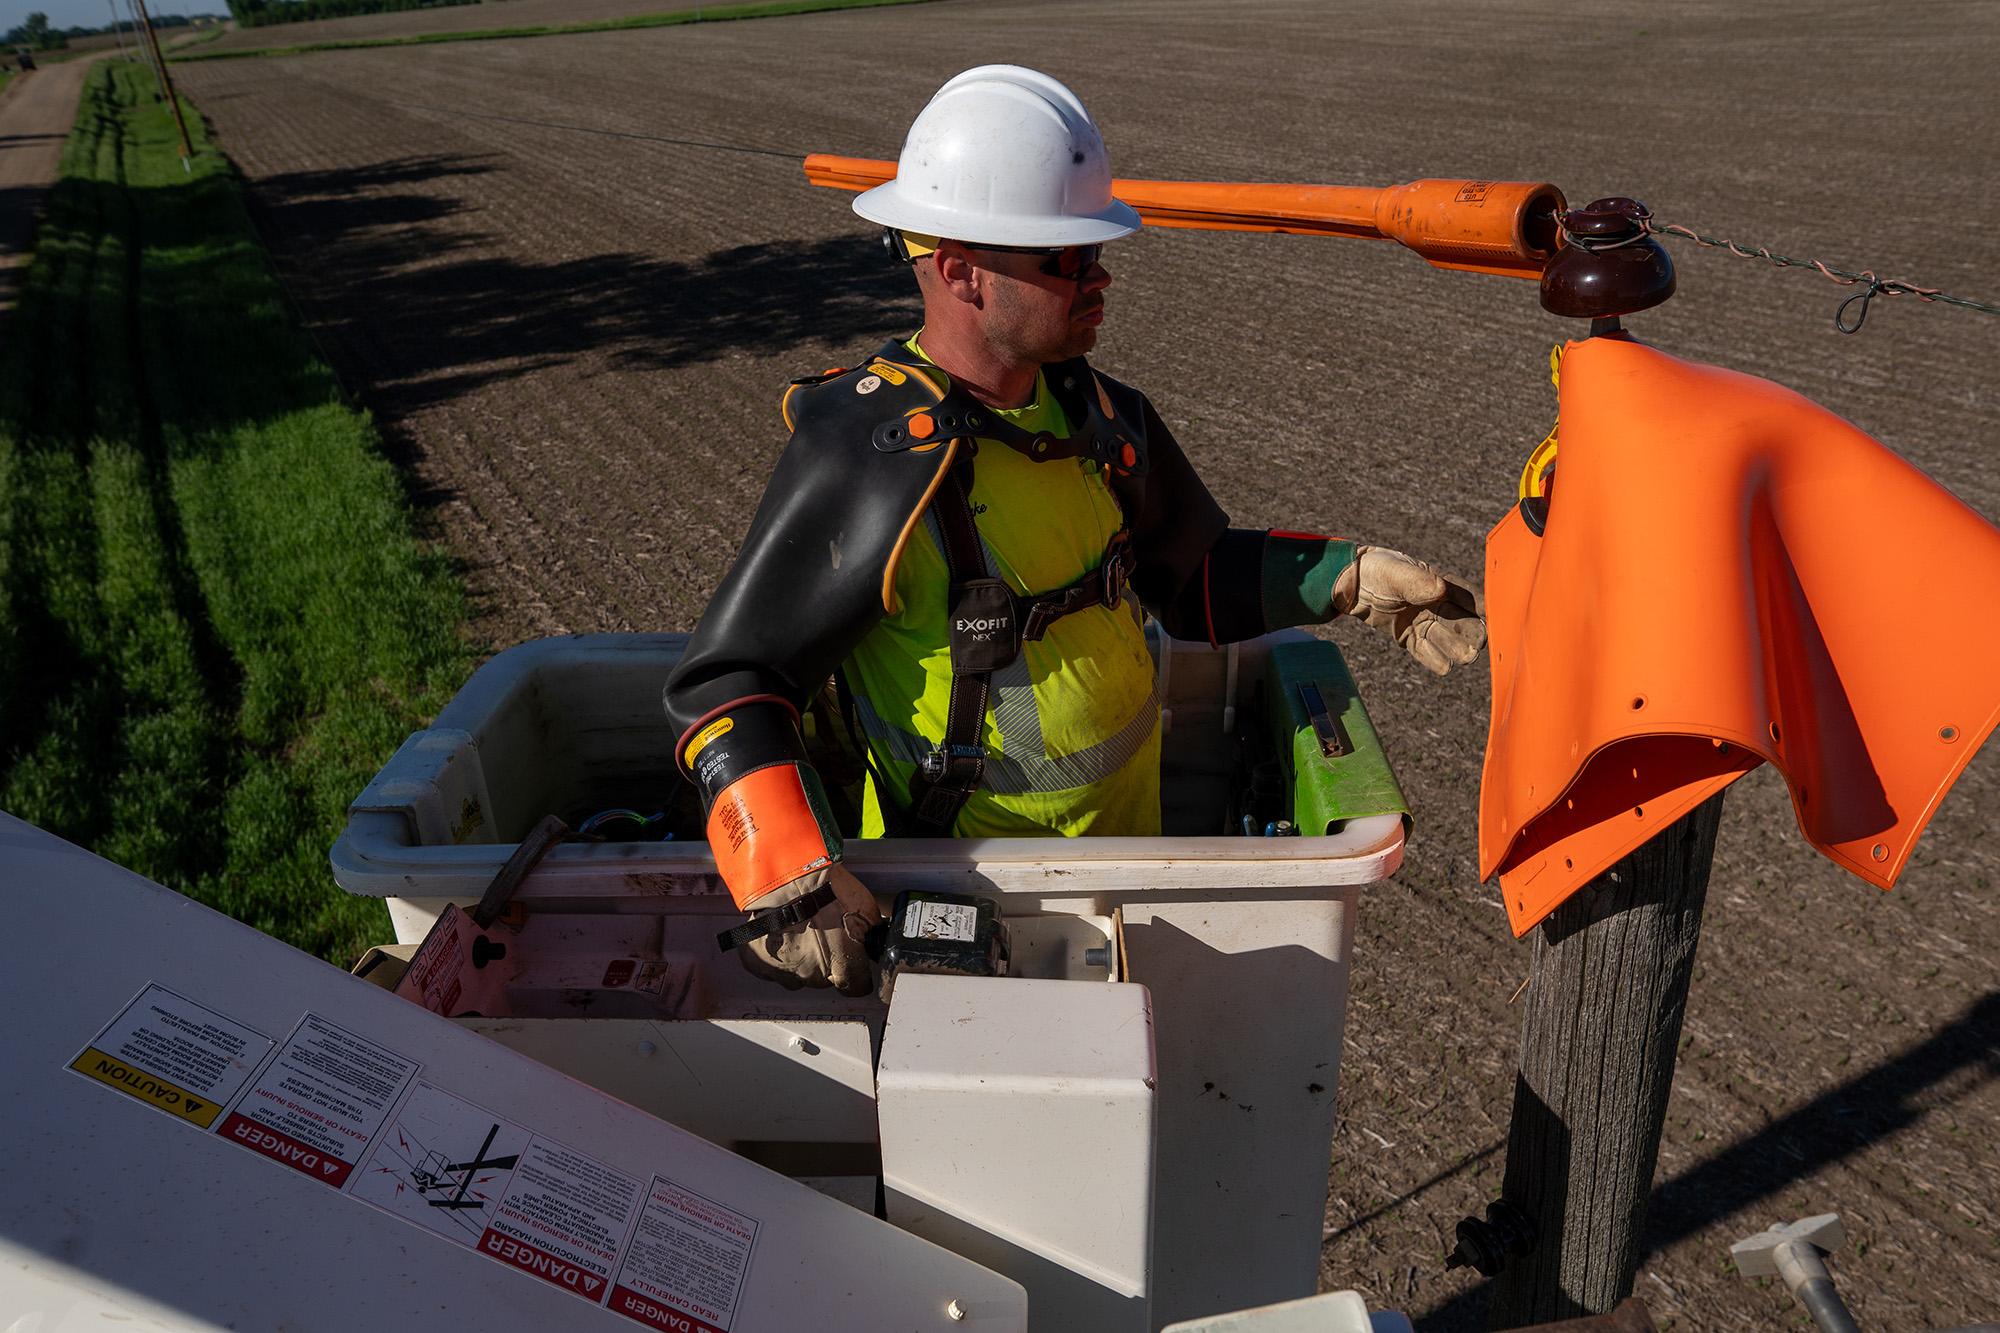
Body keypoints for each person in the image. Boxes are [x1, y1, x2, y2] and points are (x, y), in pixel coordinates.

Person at [662, 66, 1483, 996]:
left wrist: (1349, 578)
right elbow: (727, 682)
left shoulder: (1100, 416)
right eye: (1067, 258)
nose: (1099, 276)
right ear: (960, 269)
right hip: (972, 900)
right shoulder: (871, 453)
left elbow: (1192, 576)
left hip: (1134, 870)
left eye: (1094, 251)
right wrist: (786, 878)